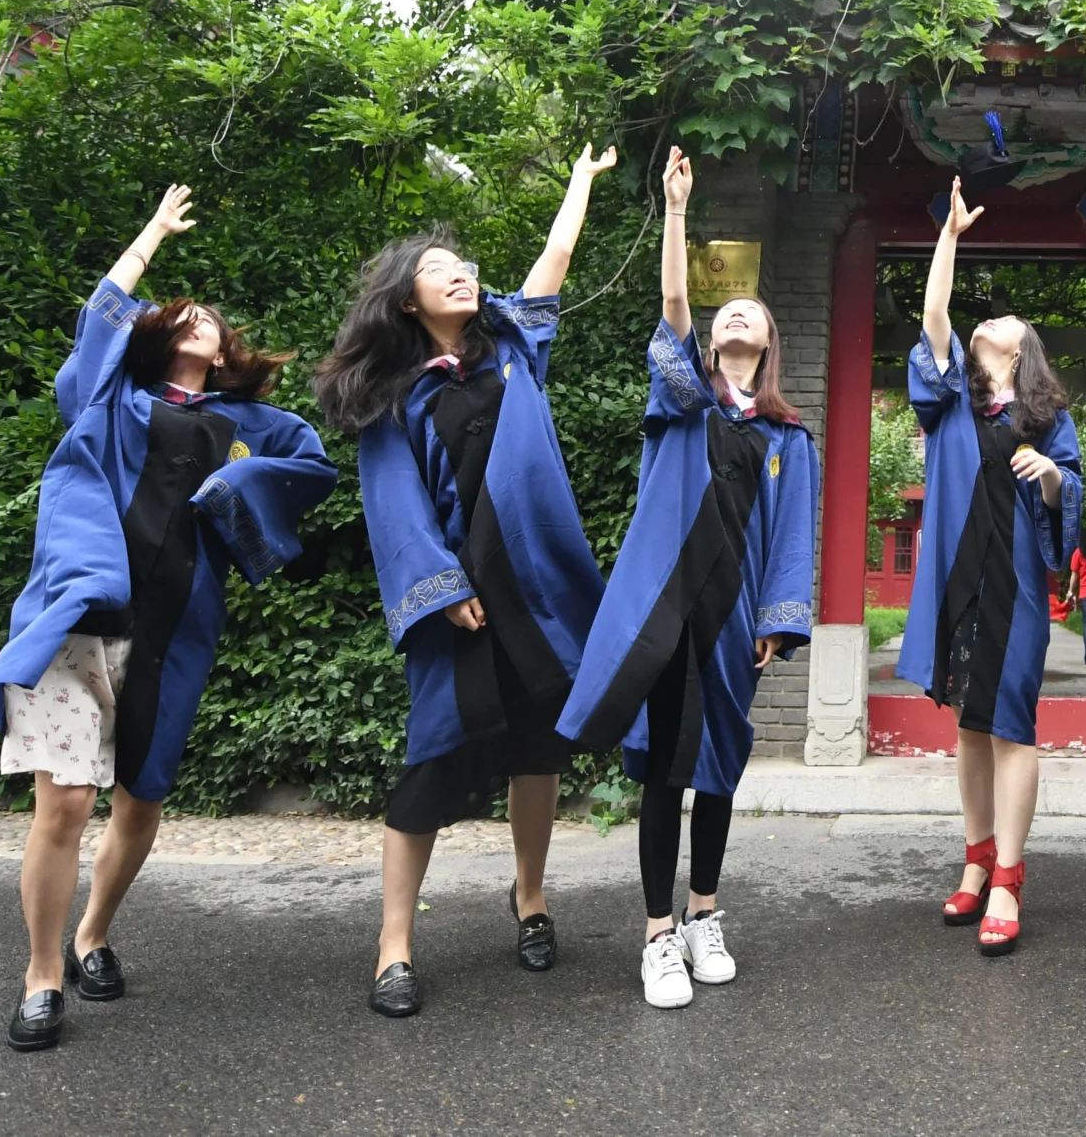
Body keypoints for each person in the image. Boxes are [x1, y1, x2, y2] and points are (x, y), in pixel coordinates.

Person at [0, 185, 339, 1052]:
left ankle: (92, 932)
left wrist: (235, 487)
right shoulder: (107, 404)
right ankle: (41, 978)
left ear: (223, 351)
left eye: (205, 317)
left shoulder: (242, 424)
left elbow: (311, 463)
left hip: (173, 633)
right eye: (176, 314)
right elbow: (95, 333)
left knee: (141, 799)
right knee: (65, 802)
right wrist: (149, 236)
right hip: (77, 622)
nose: (192, 321)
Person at [314, 146, 617, 1020]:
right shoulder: (393, 394)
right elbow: (394, 505)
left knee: (538, 751)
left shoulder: (514, 352)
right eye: (441, 272)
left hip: (531, 590)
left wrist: (581, 184)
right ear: (408, 297)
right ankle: (394, 944)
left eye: (468, 269)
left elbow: (552, 267)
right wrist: (441, 586)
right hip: (460, 597)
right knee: (431, 764)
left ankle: (530, 898)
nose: (462, 278)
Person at [557, 146, 821, 1010]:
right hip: (673, 612)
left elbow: (790, 538)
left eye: (753, 313)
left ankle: (705, 912)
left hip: (736, 618)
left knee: (719, 768)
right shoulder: (684, 405)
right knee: (668, 771)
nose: (737, 319)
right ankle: (657, 934)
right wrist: (676, 212)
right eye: (727, 313)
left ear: (769, 343)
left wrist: (780, 621)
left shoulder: (789, 437)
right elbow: (673, 305)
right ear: (712, 341)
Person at [897, 178, 1084, 956]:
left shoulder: (1047, 416)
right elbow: (935, 314)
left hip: (1014, 587)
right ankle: (975, 862)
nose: (987, 319)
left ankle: (1009, 874)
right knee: (969, 730)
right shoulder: (950, 401)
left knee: (1011, 725)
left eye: (1002, 319)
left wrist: (1048, 472)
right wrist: (948, 233)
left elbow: (1069, 491)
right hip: (956, 583)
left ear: (1023, 344)